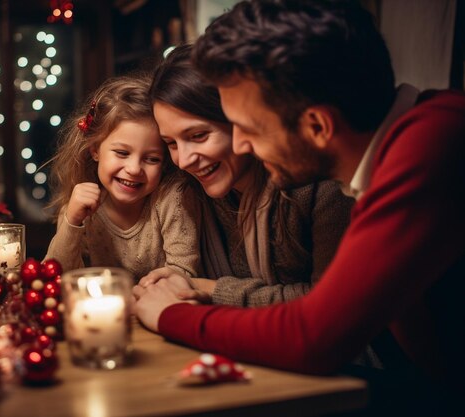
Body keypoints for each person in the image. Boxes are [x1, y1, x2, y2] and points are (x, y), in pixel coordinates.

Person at [133, 0, 464, 413]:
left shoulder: (431, 148)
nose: (240, 146)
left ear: (318, 126)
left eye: (250, 129)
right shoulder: (401, 147)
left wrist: (169, 314)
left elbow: (315, 336)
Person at [144, 44, 356, 311]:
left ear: (242, 123)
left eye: (198, 136)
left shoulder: (316, 186)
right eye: (171, 143)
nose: (184, 161)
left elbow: (330, 303)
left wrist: (207, 288)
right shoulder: (188, 192)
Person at [44, 75, 201, 281]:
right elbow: (55, 278)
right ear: (95, 150)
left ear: (164, 163)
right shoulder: (80, 209)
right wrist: (72, 221)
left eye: (152, 159)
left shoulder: (172, 200)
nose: (134, 169)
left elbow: (184, 275)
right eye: (122, 153)